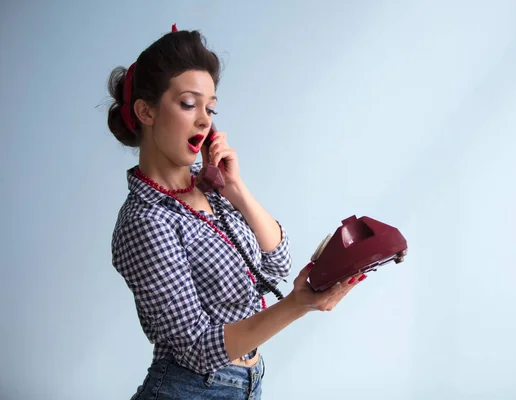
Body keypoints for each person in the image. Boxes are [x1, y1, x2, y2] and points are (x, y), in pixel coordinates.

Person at [107, 24, 405, 399]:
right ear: (146, 111)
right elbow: (197, 347)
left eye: (210, 108)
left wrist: (237, 190)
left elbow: (277, 262)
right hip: (189, 390)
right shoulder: (145, 222)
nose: (204, 120)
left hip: (248, 384)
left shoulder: (210, 187)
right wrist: (299, 305)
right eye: (188, 104)